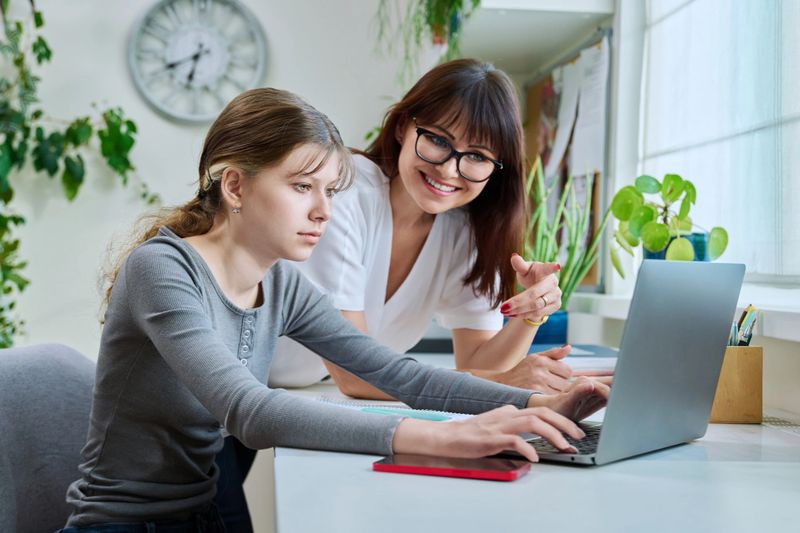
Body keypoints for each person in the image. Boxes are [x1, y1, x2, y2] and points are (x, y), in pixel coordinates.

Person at [59, 88, 608, 532]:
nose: (324, 211)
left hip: (198, 516)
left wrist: (540, 402)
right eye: (302, 187)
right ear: (235, 185)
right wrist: (438, 437)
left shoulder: (282, 286)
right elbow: (250, 411)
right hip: (120, 523)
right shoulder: (163, 270)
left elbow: (397, 376)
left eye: (328, 190)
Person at [270, 59, 576, 397]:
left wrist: (530, 316)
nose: (448, 170)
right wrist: (501, 384)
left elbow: (480, 361)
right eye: (438, 140)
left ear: (495, 170)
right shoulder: (345, 194)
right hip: (235, 385)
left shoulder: (466, 233)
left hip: (303, 394)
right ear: (403, 127)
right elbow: (353, 373)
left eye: (476, 156)